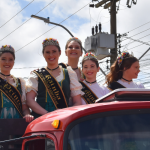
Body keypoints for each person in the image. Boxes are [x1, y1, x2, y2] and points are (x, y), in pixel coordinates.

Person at [26, 38, 83, 118]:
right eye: (47, 52)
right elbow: (30, 100)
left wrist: (66, 115)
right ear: (43, 54)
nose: (51, 55)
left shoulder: (69, 74)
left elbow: (77, 102)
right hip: (42, 118)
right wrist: (47, 114)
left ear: (60, 53)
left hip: (64, 118)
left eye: (54, 51)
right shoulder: (36, 75)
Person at [0, 45, 33, 122]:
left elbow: (24, 107)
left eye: (10, 59)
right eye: (3, 59)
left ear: (14, 62)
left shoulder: (20, 82)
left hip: (17, 121)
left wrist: (27, 115)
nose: (7, 62)